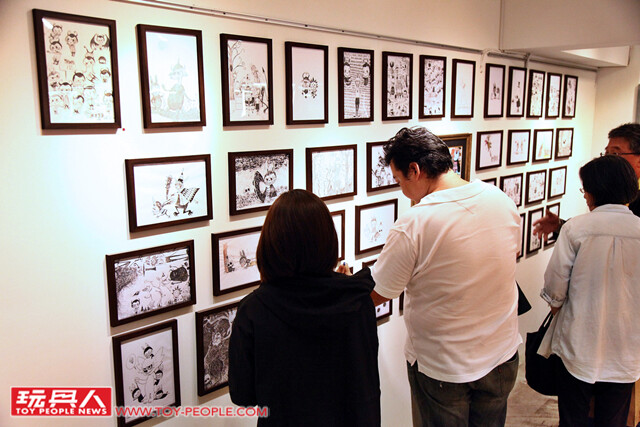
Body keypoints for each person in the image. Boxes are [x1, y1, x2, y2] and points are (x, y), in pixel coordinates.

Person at [369, 126, 521, 426]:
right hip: (501, 356)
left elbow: (380, 293)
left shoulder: (415, 221)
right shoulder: (499, 199)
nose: (402, 190)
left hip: (444, 368)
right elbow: (509, 254)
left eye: (399, 180)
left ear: (415, 170)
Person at [228, 189, 381, 426]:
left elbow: (243, 395)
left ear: (271, 243)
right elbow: (366, 379)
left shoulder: (254, 310)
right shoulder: (358, 300)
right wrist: (343, 286)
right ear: (328, 240)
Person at [541, 155, 640, 427]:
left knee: (572, 417)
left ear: (596, 191)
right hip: (627, 346)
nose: (584, 195)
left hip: (579, 342)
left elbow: (555, 287)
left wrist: (559, 308)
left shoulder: (576, 228)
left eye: (585, 189)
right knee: (614, 419)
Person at [533, 122, 640, 239]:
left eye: (615, 153)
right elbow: (600, 229)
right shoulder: (608, 188)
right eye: (606, 153)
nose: (608, 159)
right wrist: (560, 226)